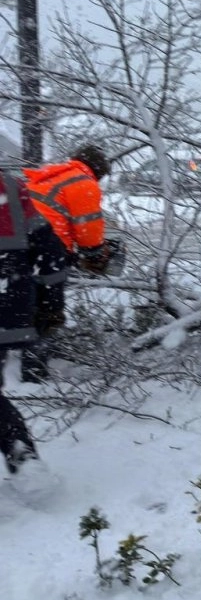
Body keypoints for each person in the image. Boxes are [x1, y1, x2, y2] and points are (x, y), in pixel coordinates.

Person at [20, 144, 113, 381]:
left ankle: (29, 353)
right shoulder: (83, 182)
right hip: (43, 245)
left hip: (13, 242)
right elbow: (88, 230)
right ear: (98, 170)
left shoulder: (50, 176)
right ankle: (34, 371)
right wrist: (95, 256)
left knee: (19, 300)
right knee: (46, 307)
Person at [0, 167, 68, 476]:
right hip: (8, 309)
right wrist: (51, 306)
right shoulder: (13, 189)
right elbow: (50, 252)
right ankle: (22, 457)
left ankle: (23, 458)